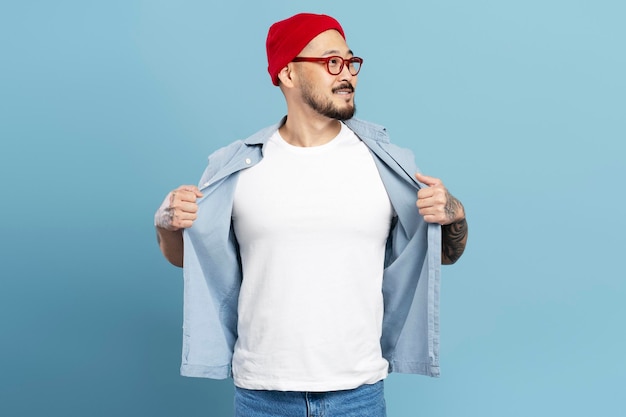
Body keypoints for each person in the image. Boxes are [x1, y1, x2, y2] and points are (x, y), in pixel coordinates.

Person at [154, 12, 468, 417]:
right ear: (287, 73)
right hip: (261, 394)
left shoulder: (388, 166)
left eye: (351, 62)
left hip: (358, 394)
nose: (348, 75)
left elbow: (443, 254)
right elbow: (187, 259)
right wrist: (167, 224)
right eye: (331, 62)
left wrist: (453, 214)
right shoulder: (235, 168)